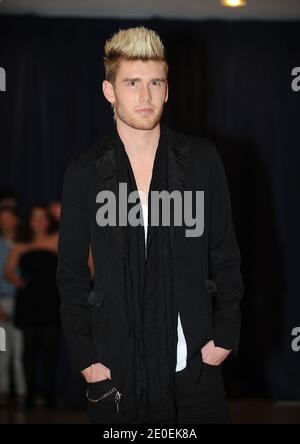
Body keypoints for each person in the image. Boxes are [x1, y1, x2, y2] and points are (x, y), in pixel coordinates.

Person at [57, 26, 244, 424]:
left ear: (167, 89)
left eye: (155, 82)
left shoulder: (201, 158)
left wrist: (225, 334)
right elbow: (70, 272)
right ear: (110, 91)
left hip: (195, 367)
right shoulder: (84, 171)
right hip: (115, 368)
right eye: (132, 83)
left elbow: (225, 253)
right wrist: (86, 359)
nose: (145, 96)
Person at [4, 205, 60, 408]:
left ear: (48, 220)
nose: (38, 221)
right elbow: (8, 271)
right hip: (29, 300)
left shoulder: (57, 239)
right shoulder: (20, 244)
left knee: (50, 349)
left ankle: (50, 396)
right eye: (34, 217)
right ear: (28, 221)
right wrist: (16, 280)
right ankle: (28, 397)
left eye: (42, 217)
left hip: (51, 299)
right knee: (28, 350)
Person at [0, 206, 26, 406]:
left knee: (18, 352)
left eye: (9, 218)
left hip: (21, 303)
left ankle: (21, 393)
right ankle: (3, 391)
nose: (6, 222)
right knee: (2, 352)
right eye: (2, 218)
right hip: (2, 301)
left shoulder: (23, 244)